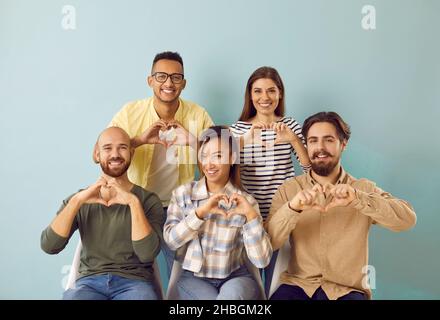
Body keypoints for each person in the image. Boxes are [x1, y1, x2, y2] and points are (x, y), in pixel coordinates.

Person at [265, 111, 417, 300]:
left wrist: (357, 199)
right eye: (313, 140)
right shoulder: (289, 190)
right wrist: (293, 208)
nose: (320, 148)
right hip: (298, 287)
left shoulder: (362, 188)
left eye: (328, 140)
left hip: (346, 291)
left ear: (343, 144)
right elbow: (267, 244)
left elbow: (407, 220)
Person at [109, 51, 214, 275]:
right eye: (161, 76)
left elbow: (223, 161)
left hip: (181, 208)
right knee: (131, 273)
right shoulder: (130, 112)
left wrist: (193, 141)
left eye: (176, 77)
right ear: (150, 81)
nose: (169, 83)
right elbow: (99, 154)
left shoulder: (198, 114)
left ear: (183, 83)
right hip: (137, 204)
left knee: (189, 272)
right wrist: (138, 140)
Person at [41, 127, 165, 300]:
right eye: (107, 148)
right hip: (88, 284)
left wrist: (133, 202)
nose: (115, 154)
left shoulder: (148, 200)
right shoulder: (80, 199)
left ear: (131, 153)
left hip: (135, 284)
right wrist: (76, 202)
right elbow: (50, 246)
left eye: (122, 147)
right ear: (96, 155)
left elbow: (147, 254)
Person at [163, 126, 272, 299]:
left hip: (237, 277)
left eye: (218, 156)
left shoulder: (246, 202)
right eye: (204, 156)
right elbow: (171, 241)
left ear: (233, 158)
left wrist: (251, 217)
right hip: (194, 278)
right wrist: (200, 213)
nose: (209, 164)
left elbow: (262, 260)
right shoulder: (183, 194)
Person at [229, 66, 311, 295]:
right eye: (258, 91)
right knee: (251, 284)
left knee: (276, 283)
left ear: (280, 94)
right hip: (248, 217)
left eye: (271, 91)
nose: (265, 97)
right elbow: (221, 167)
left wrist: (293, 140)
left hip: (282, 215)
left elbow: (309, 171)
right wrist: (245, 140)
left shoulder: (290, 126)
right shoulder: (238, 129)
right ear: (250, 95)